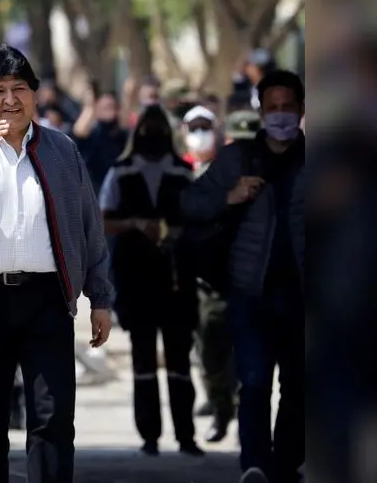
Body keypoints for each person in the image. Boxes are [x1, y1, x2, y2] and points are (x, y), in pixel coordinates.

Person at [0, 45, 113, 483]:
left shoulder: (62, 149)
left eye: (20, 88)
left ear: (35, 94)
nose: (10, 99)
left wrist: (99, 298)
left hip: (46, 299)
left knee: (51, 418)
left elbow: (89, 225)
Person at [181, 70, 305, 483]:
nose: (281, 116)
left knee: (298, 388)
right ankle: (254, 463)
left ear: (302, 110)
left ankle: (285, 466)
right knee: (253, 383)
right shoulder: (237, 159)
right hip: (250, 292)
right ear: (260, 111)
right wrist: (228, 196)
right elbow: (190, 204)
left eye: (288, 108)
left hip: (305, 297)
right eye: (273, 108)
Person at [99, 105, 205, 457]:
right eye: (149, 127)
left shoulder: (183, 171)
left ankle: (186, 435)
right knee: (143, 361)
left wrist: (176, 232)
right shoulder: (122, 171)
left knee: (179, 362)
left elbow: (198, 220)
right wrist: (135, 225)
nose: (154, 134)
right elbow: (103, 220)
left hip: (176, 278)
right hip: (136, 278)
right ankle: (149, 436)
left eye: (160, 128)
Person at [181, 105, 238, 443]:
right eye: (194, 126)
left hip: (231, 274)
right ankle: (220, 407)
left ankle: (239, 410)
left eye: (206, 126)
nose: (200, 132)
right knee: (207, 349)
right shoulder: (179, 171)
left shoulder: (227, 170)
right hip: (195, 277)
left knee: (239, 346)